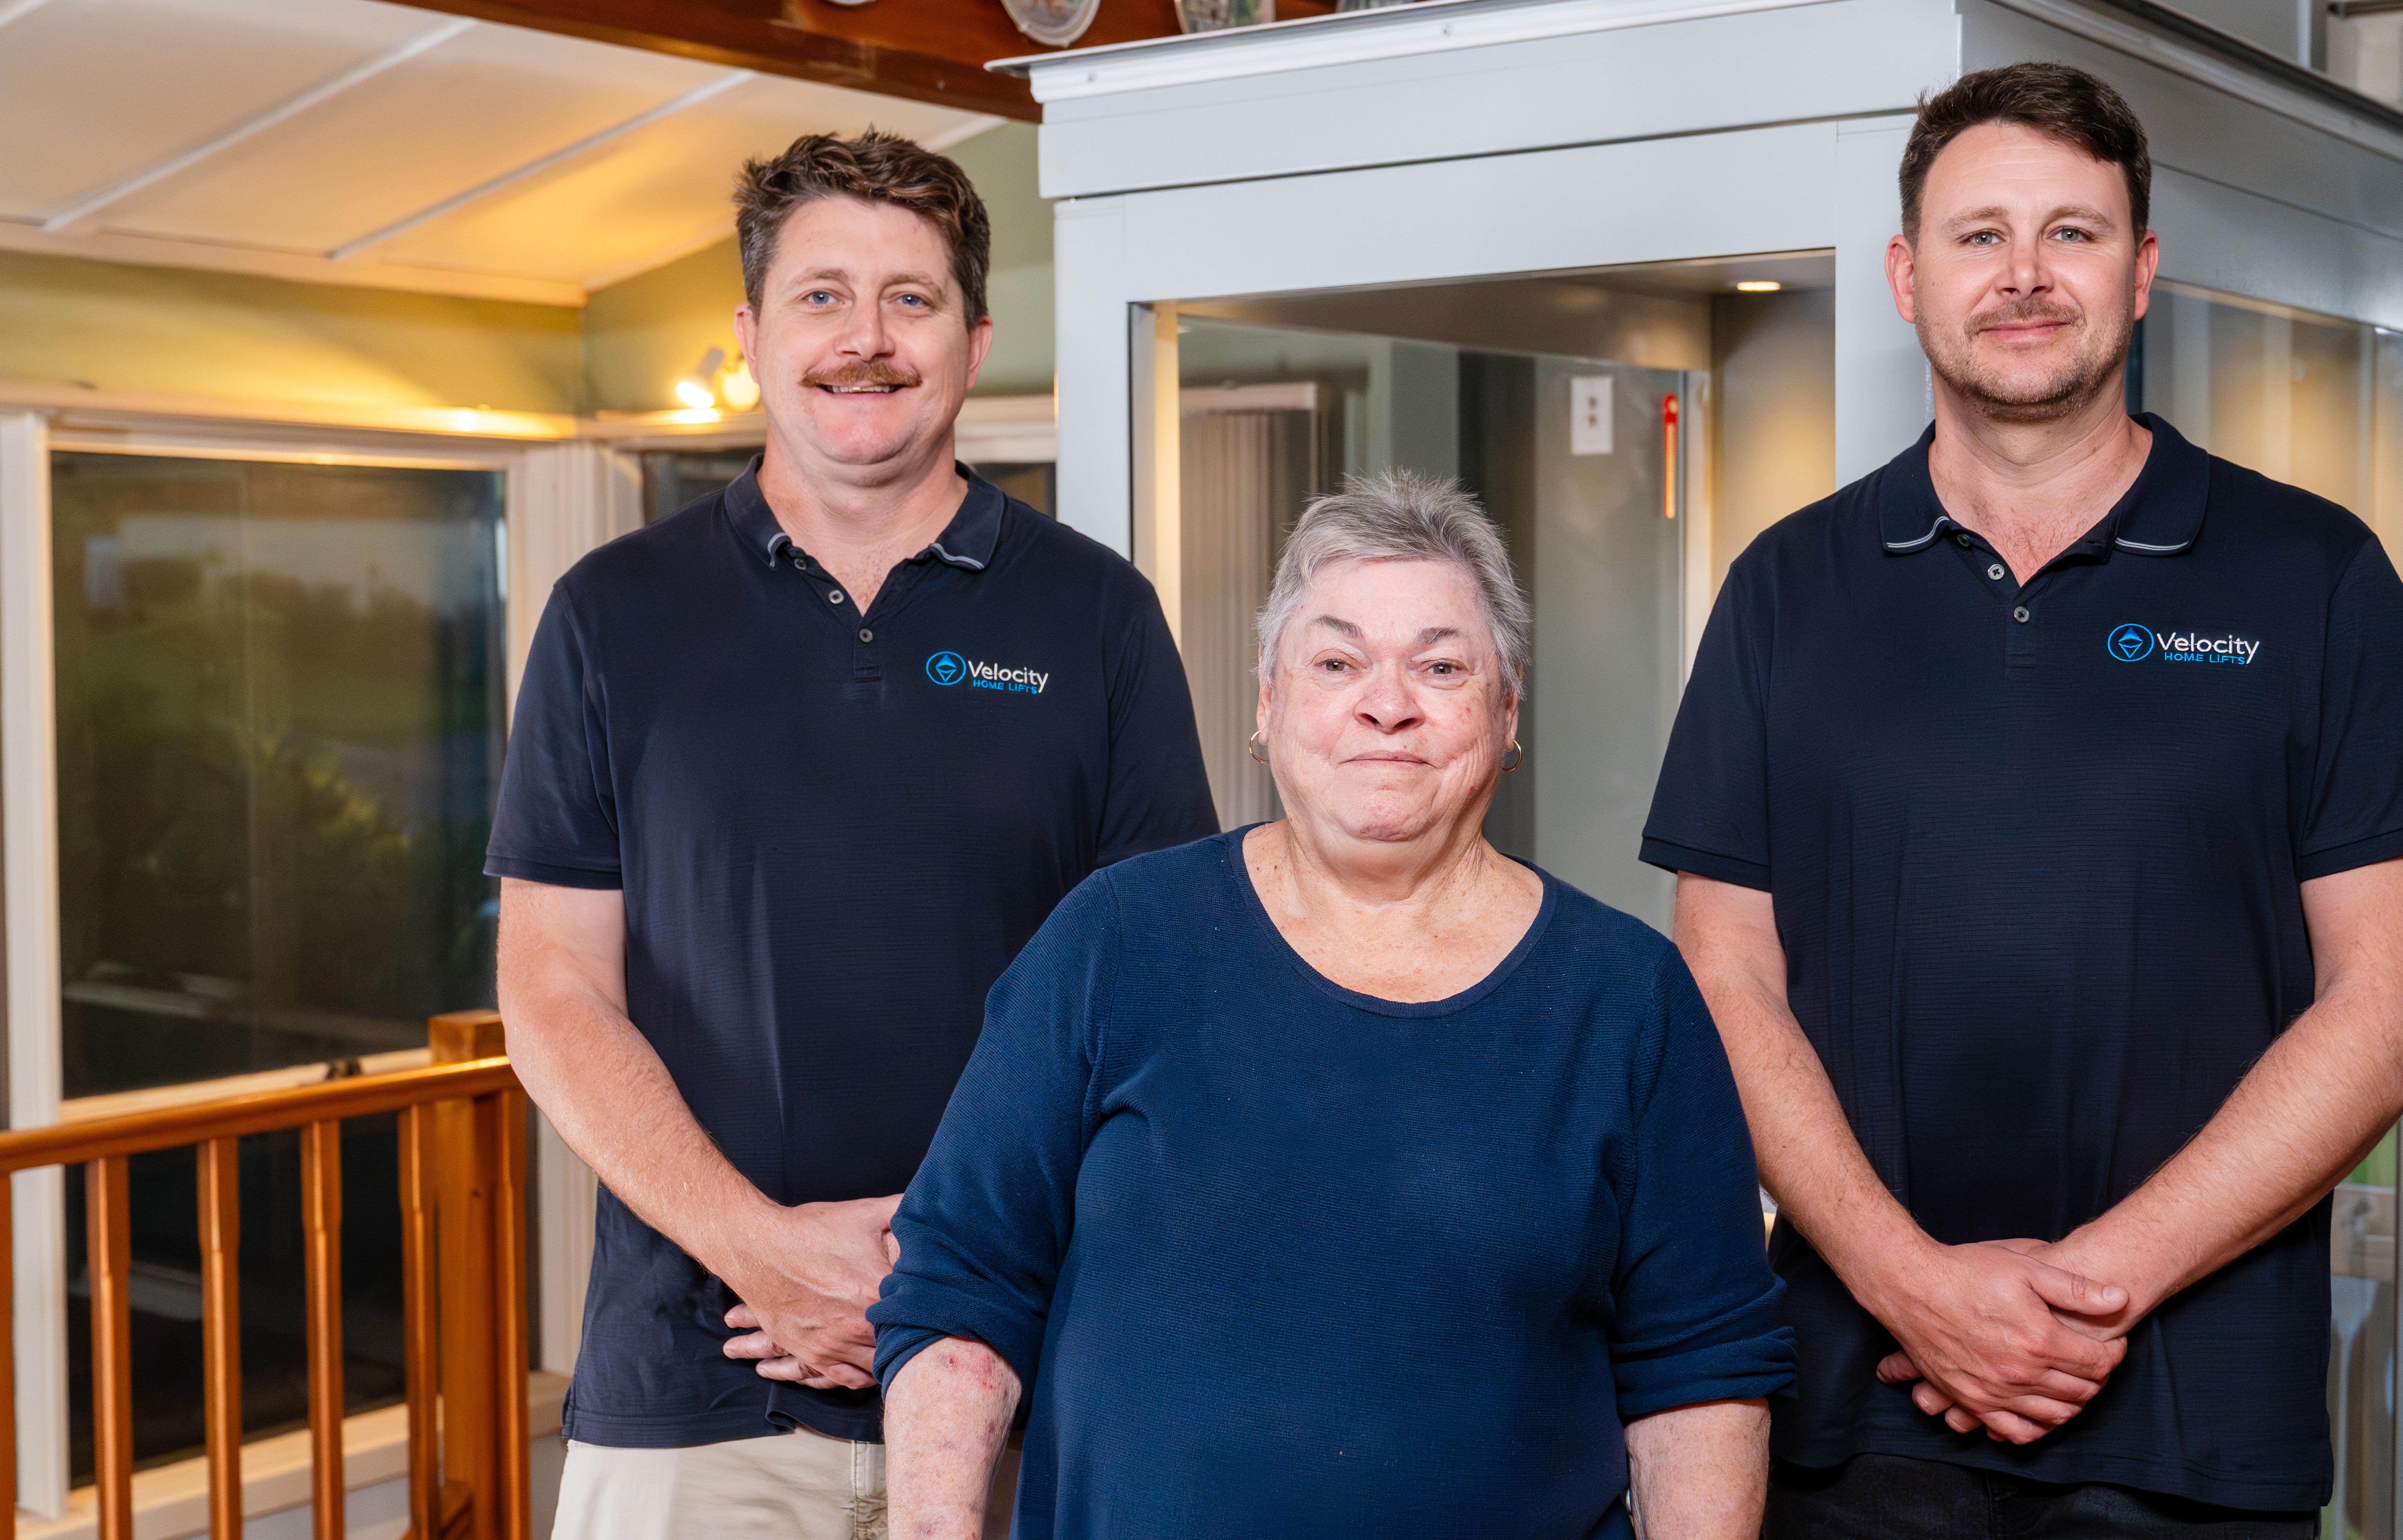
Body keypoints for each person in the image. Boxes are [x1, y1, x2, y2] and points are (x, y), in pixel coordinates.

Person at [1642, 62, 2403, 1536]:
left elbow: (2400, 1001)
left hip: (2193, 1429)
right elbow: (1723, 976)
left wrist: (2081, 1295)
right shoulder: (1786, 591)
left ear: (2145, 270)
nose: (2026, 276)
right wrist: (1917, 1283)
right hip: (1857, 1410)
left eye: (2074, 233)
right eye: (1980, 237)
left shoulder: (2313, 578)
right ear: (1909, 278)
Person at [487, 129, 1217, 1539]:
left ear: (976, 337)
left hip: (1029, 1383)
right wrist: (764, 1254)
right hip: (700, 1394)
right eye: (823, 296)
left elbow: (1153, 1006)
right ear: (754, 333)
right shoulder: (611, 616)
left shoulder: (1099, 617)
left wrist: (935, 1279)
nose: (865, 341)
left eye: (912, 299)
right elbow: (552, 991)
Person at [867, 472, 1794, 1540]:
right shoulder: (1117, 941)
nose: (1386, 704)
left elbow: (1702, 1372)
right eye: (1338, 662)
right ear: (1268, 704)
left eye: (1441, 667)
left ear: (1506, 712)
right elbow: (959, 1293)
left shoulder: (1628, 999)